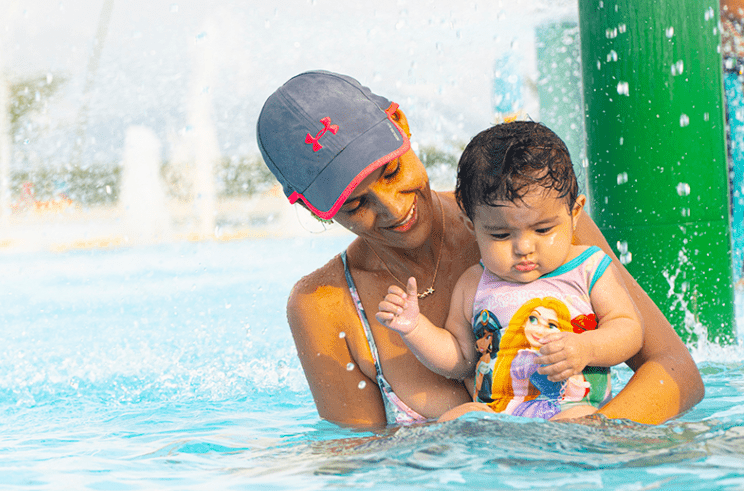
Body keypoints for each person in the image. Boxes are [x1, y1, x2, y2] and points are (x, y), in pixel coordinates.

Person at [255, 70, 703, 430]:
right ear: (317, 211)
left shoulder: (538, 213)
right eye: (356, 204)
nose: (392, 209)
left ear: (402, 126)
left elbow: (677, 372)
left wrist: (584, 440)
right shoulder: (325, 305)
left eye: (391, 172)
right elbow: (355, 467)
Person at [375, 121, 643, 421]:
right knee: (459, 417)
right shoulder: (474, 283)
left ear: (575, 213)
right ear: (472, 226)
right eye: (501, 235)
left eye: (542, 229)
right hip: (498, 417)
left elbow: (629, 329)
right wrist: (415, 328)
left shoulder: (588, 268)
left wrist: (587, 347)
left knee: (578, 418)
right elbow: (462, 360)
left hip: (569, 408)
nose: (523, 248)